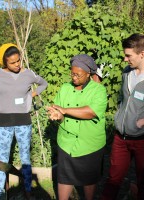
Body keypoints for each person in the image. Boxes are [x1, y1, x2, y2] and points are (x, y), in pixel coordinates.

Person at [101, 33, 144, 200]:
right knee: (113, 179)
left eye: (128, 55)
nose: (125, 59)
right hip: (120, 138)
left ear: (142, 54)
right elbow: (123, 100)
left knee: (143, 181)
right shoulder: (126, 73)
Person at [0, 43, 48, 199]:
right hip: (4, 122)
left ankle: (28, 190)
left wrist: (31, 95)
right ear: (4, 63)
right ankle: (1, 193)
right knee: (2, 158)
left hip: (24, 122)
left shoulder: (28, 74)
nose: (17, 65)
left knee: (25, 157)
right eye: (13, 62)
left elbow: (43, 83)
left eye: (19, 60)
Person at [47, 54, 107, 200]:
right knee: (64, 178)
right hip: (66, 143)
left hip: (89, 145)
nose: (74, 77)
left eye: (78, 75)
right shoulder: (65, 88)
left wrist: (65, 110)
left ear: (88, 74)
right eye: (72, 73)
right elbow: (60, 113)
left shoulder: (98, 90)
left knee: (89, 180)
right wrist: (57, 115)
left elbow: (91, 112)